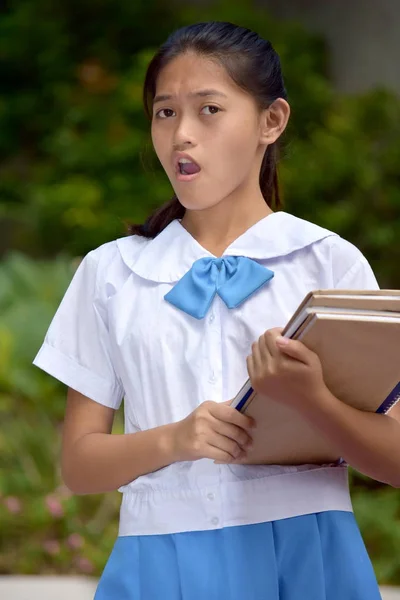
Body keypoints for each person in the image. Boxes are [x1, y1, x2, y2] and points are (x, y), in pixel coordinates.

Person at [32, 21, 400, 600]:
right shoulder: (111, 272)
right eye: (165, 113)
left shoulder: (329, 264)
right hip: (159, 563)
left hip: (309, 559)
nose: (182, 135)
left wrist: (312, 399)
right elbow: (79, 467)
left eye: (209, 110)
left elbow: (395, 459)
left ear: (271, 122)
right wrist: (176, 440)